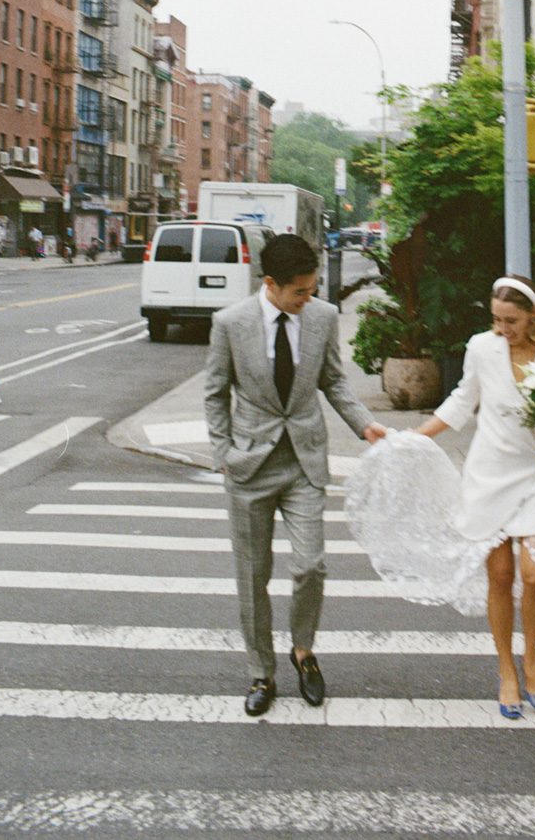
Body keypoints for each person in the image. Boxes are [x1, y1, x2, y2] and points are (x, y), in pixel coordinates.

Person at [204, 233, 386, 717]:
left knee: (310, 565)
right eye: (300, 292)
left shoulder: (322, 318)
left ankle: (303, 653)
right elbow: (215, 391)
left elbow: (333, 380)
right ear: (271, 284)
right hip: (249, 465)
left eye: (312, 290)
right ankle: (260, 672)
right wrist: (223, 450)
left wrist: (365, 424)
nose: (309, 299)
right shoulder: (230, 323)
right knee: (252, 575)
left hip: (304, 462)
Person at [416, 274, 535, 719]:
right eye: (496, 320)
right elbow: (460, 402)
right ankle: (506, 669)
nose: (502, 329)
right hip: (489, 473)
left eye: (511, 320)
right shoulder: (481, 347)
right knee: (501, 574)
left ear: (534, 316)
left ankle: (532, 659)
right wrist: (414, 437)